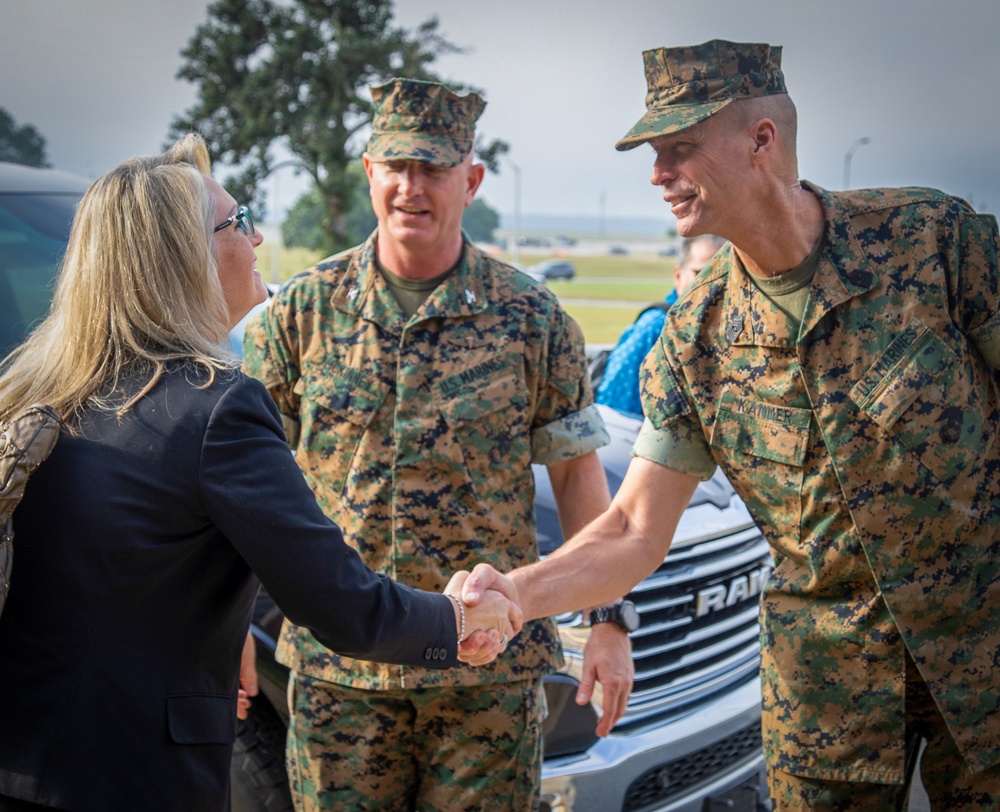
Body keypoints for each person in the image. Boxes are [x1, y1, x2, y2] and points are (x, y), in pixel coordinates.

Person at [462, 39, 1000, 810]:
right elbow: (633, 531)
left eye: (679, 148)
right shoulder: (695, 338)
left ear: (761, 141)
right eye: (653, 154)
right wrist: (514, 593)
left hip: (983, 653)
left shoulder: (931, 242)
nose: (657, 175)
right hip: (830, 697)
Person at [0, 135, 517, 812]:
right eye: (239, 222)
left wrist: (233, 624)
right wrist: (457, 620)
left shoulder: (42, 388)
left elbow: (125, 564)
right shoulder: (216, 404)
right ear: (186, 257)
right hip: (132, 781)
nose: (260, 236)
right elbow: (341, 604)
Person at [242, 77, 634, 811]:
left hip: (484, 682)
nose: (411, 187)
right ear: (369, 174)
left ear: (472, 179)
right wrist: (229, 622)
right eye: (395, 166)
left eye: (433, 168)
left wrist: (608, 619)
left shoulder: (532, 319)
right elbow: (243, 489)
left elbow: (581, 481)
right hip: (341, 676)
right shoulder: (299, 315)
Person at [595, 234, 724, 415]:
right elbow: (613, 405)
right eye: (702, 274)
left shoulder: (726, 327)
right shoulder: (656, 326)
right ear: (678, 275)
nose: (714, 285)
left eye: (724, 276)